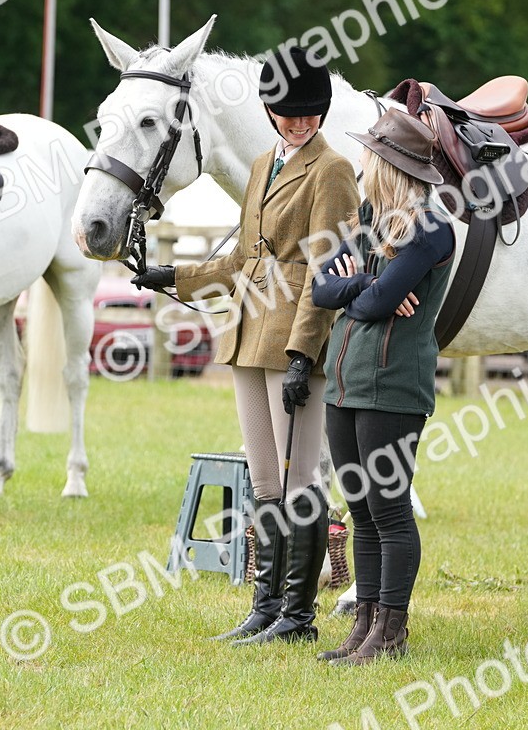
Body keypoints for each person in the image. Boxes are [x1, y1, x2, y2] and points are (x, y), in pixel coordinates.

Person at [132, 47, 359, 644]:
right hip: (245, 334)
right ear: (268, 109)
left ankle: (299, 617)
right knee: (264, 481)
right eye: (289, 114)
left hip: (292, 343)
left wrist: (304, 352)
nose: (300, 124)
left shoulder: (332, 170)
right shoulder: (262, 165)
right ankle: (266, 605)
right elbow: (241, 258)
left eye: (310, 115)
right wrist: (175, 276)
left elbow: (325, 266)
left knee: (299, 481)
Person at [310, 108, 453, 666]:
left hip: (393, 386)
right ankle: (364, 623)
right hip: (343, 383)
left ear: (389, 166)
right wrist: (366, 280)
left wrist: (360, 288)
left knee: (388, 510)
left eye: (371, 156)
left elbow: (373, 304)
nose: (364, 164)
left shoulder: (430, 229)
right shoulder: (365, 218)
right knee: (360, 509)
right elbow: (323, 288)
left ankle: (391, 631)